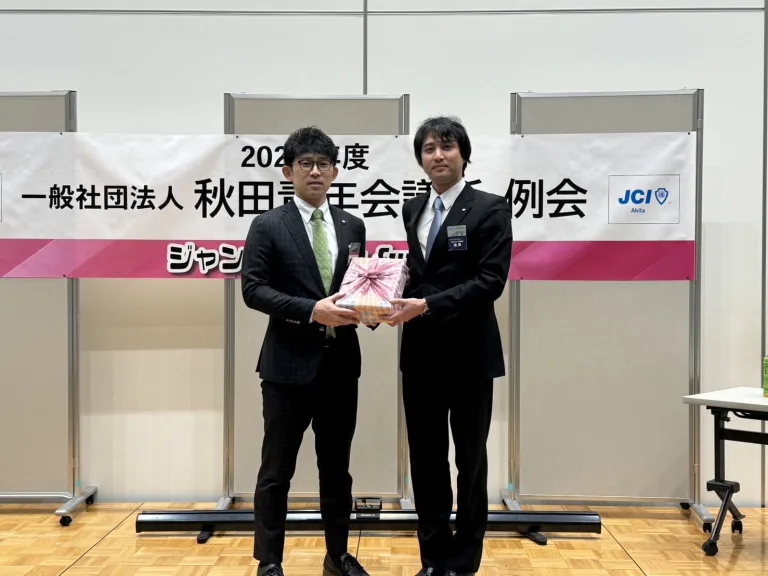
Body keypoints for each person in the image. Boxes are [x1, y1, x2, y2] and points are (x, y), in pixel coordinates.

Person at [384, 116, 513, 576]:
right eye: (429, 149)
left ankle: (464, 561)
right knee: (426, 459)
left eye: (447, 146)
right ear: (420, 159)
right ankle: (434, 558)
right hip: (419, 355)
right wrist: (380, 299)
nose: (438, 155)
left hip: (470, 354)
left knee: (470, 460)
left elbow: (490, 281)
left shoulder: (490, 208)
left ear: (464, 154)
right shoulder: (413, 208)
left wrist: (427, 305)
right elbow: (419, 274)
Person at [241, 126, 371, 576]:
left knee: (337, 471)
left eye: (323, 164)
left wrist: (371, 308)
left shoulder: (352, 225)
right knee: (276, 471)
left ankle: (337, 556)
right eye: (306, 164)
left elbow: (356, 287)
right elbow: (253, 290)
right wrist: (312, 310)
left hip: (341, 367)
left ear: (335, 172)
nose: (315, 172)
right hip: (286, 369)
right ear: (288, 171)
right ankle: (269, 562)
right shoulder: (267, 225)